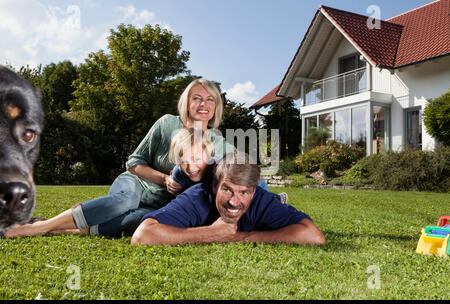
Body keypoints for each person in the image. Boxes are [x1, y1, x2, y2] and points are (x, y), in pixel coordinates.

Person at [3, 79, 232, 238]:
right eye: (197, 98)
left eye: (210, 99)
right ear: (187, 102)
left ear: (216, 107)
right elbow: (134, 162)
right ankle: (39, 227)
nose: (203, 104)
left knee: (136, 221)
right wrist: (164, 180)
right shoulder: (166, 123)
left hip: (162, 203)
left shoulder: (218, 141)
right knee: (126, 202)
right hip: (136, 183)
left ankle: (63, 228)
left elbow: (242, 165)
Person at [131, 152, 326, 246]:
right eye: (228, 190)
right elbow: (142, 236)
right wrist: (212, 233)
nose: (234, 202)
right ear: (215, 186)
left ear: (253, 191)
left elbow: (314, 236)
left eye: (244, 192)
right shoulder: (198, 196)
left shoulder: (261, 199)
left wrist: (237, 237)